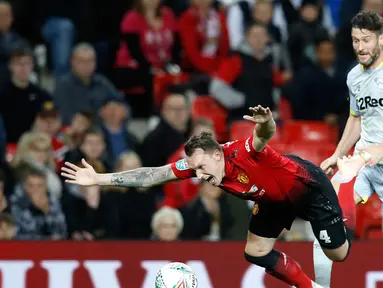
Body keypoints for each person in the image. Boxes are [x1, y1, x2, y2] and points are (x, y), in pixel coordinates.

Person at [62, 104, 352, 288]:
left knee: (338, 254)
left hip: (307, 188)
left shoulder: (243, 151)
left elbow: (264, 134)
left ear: (217, 154)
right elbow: (153, 175)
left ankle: (346, 194)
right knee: (255, 252)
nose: (199, 175)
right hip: (271, 200)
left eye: (201, 167)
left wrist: (265, 121)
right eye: (194, 169)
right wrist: (99, 178)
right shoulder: (200, 165)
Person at [317, 10, 383, 288]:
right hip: (365, 163)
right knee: (323, 212)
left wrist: (365, 156)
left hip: (369, 157)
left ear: (381, 39)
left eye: (366, 40)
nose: (360, 47)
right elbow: (357, 118)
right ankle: (318, 285)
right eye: (355, 40)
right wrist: (338, 154)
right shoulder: (354, 76)